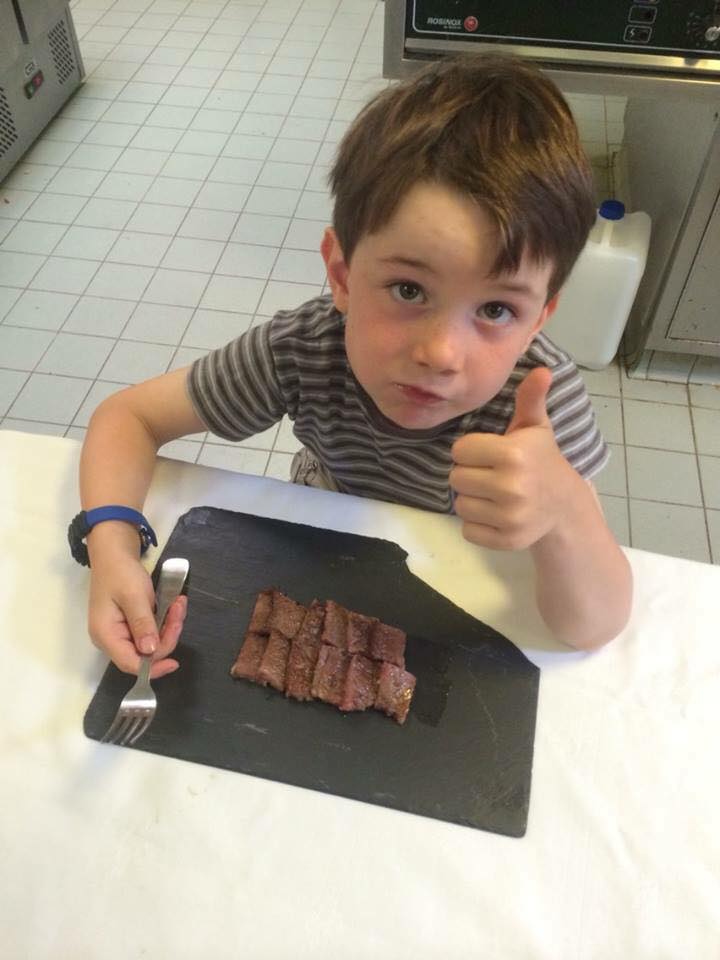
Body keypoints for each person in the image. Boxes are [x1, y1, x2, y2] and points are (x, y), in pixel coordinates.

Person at [74, 54, 633, 679]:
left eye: (497, 309)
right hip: (323, 544)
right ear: (341, 275)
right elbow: (128, 418)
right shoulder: (305, 347)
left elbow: (593, 625)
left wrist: (564, 510)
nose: (441, 354)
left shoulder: (541, 406)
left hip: (455, 596)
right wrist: (112, 544)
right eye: (409, 290)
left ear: (539, 318)